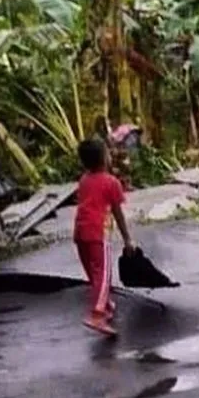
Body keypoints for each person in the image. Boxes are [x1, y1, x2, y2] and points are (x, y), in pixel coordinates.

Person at [74, 137, 135, 337]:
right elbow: (118, 213)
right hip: (98, 234)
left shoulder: (84, 180)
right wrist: (127, 239)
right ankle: (97, 314)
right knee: (103, 274)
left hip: (80, 233)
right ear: (104, 158)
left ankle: (105, 303)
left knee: (93, 273)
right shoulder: (111, 182)